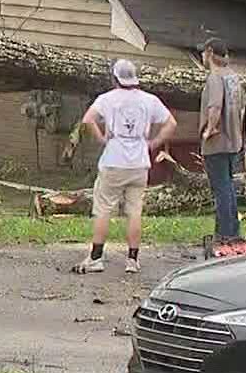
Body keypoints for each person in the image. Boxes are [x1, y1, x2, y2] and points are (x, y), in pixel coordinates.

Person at [73, 59, 175, 275]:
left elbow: (88, 119)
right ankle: (132, 260)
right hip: (139, 162)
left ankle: (96, 257)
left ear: (115, 78)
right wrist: (154, 143)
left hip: (114, 159)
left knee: (103, 209)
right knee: (134, 211)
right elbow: (171, 123)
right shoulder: (149, 100)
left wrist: (102, 138)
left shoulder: (107, 99)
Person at [197, 39, 244, 245]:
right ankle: (231, 229)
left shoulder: (215, 78)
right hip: (234, 141)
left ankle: (226, 234)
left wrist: (209, 130)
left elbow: (214, 107)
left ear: (209, 53)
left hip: (217, 143)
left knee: (221, 189)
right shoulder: (234, 77)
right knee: (229, 187)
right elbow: (241, 108)